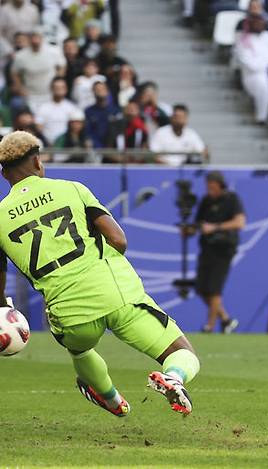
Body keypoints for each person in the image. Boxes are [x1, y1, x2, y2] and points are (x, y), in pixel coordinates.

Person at [0, 131, 200, 416]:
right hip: (117, 294)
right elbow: (119, 240)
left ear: (5, 173)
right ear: (36, 161)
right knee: (181, 352)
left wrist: (3, 308)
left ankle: (111, 399)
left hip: (67, 313)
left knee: (79, 351)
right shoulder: (72, 189)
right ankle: (174, 377)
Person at [184, 171, 244, 334]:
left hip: (224, 249)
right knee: (202, 289)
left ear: (220, 185)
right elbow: (199, 224)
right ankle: (226, 320)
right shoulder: (206, 201)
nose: (209, 189)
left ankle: (209, 326)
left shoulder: (232, 199)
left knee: (214, 288)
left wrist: (215, 227)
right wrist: (189, 230)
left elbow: (239, 223)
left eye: (212, 186)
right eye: (207, 186)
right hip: (207, 249)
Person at [234, 14, 268, 124]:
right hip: (253, 75)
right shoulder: (243, 40)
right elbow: (249, 63)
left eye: (260, 22)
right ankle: (262, 117)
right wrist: (267, 65)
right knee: (263, 83)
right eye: (255, 23)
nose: (258, 25)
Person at [11, 27, 66, 110]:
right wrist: (20, 88)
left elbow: (62, 65)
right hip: (30, 95)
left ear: (42, 38)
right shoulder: (20, 56)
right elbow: (14, 72)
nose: (35, 40)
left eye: (37, 37)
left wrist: (58, 82)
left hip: (50, 93)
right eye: (33, 37)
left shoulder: (53, 51)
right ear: (28, 39)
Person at [35, 77, 81, 144]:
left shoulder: (72, 107)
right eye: (56, 87)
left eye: (62, 87)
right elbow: (38, 126)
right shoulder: (43, 107)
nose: (59, 90)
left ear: (66, 89)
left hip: (66, 144)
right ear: (51, 89)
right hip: (47, 144)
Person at [84, 81, 122, 149]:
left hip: (113, 150)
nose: (100, 91)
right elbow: (88, 132)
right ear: (93, 92)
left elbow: (119, 132)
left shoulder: (116, 110)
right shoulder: (89, 111)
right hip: (96, 150)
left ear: (107, 91)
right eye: (97, 89)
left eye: (102, 89)